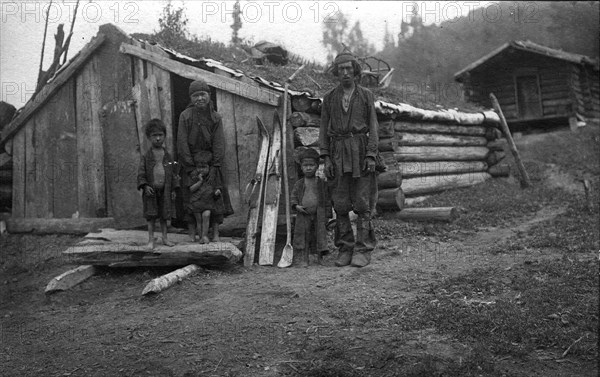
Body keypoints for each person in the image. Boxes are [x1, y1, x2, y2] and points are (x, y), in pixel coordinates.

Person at [319, 49, 379, 268]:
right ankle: (345, 248)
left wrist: (372, 154)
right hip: (338, 153)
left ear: (355, 71)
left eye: (348, 68)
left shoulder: (365, 96)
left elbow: (373, 126)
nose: (345, 73)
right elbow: (323, 128)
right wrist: (325, 157)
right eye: (341, 69)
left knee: (363, 203)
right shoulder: (329, 98)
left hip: (361, 151)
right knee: (340, 203)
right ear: (336, 72)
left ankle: (363, 249)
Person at [177, 80, 233, 242]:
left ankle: (215, 233)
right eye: (195, 95)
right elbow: (182, 143)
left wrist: (215, 166)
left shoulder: (215, 117)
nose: (199, 98)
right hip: (192, 164)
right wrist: (190, 168)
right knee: (192, 198)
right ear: (191, 98)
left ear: (209, 95)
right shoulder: (185, 116)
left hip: (212, 165)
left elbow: (219, 143)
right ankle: (193, 234)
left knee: (215, 197)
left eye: (203, 94)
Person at [137, 119, 179, 249]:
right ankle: (150, 240)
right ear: (149, 137)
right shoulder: (146, 156)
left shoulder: (168, 156)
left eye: (160, 135)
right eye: (154, 135)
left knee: (164, 215)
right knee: (151, 216)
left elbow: (173, 173)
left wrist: (173, 189)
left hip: (165, 191)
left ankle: (165, 238)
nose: (158, 138)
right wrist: (145, 185)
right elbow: (141, 172)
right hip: (151, 191)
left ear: (165, 136)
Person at [291, 148, 332, 267]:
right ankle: (303, 258)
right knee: (303, 235)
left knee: (319, 235)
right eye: (305, 165)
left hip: (319, 214)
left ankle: (320, 258)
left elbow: (327, 199)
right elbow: (293, 196)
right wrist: (296, 206)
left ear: (317, 166)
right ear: (301, 167)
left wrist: (328, 215)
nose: (308, 168)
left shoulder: (321, 183)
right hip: (303, 214)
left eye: (311, 165)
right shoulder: (299, 183)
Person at [187, 151, 222, 244]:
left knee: (206, 216)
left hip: (208, 203)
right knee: (199, 220)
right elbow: (191, 189)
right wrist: (200, 181)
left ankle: (205, 235)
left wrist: (217, 192)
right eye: (199, 167)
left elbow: (216, 188)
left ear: (209, 167)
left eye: (204, 167)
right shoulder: (194, 176)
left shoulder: (212, 177)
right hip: (197, 203)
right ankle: (201, 237)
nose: (201, 170)